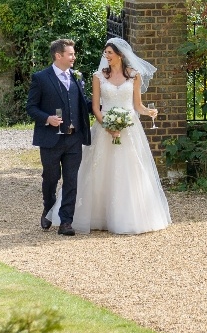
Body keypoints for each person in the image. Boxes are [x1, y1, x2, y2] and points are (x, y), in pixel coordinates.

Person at [50, 37, 171, 234]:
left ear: (120, 55)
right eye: (105, 53)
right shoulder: (99, 76)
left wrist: (149, 112)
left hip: (129, 128)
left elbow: (137, 105)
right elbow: (96, 107)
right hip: (103, 128)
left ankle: (128, 217)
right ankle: (96, 216)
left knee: (130, 170)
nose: (106, 56)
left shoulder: (134, 76)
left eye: (110, 53)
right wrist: (107, 125)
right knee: (97, 172)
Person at [27, 38, 91, 236]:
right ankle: (49, 208)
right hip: (50, 139)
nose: (74, 57)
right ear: (58, 55)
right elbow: (31, 107)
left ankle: (66, 222)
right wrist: (47, 118)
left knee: (72, 180)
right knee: (51, 178)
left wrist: (105, 106)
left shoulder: (77, 77)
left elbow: (84, 104)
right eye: (70, 54)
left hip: (74, 138)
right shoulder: (41, 78)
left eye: (73, 54)